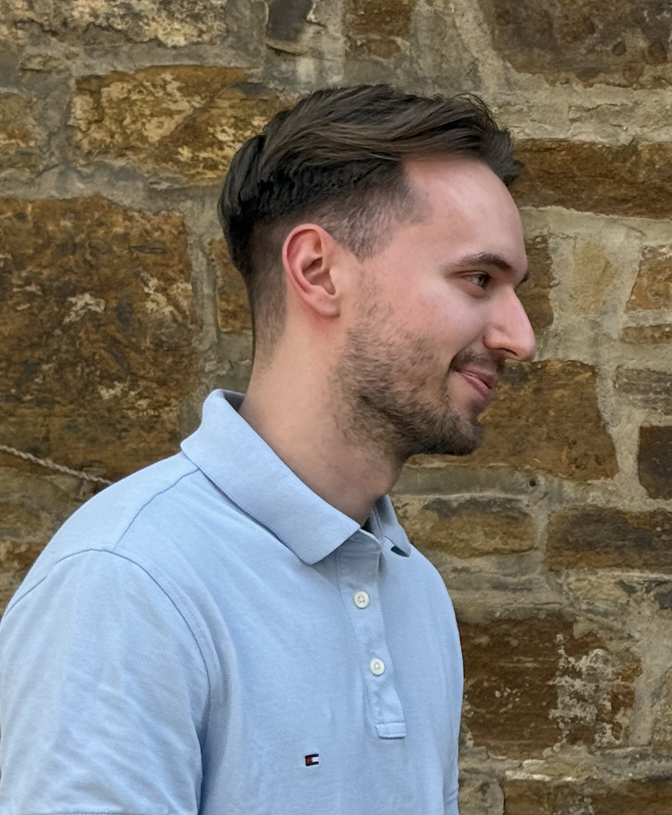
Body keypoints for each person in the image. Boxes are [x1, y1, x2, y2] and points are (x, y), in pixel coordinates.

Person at [0, 85, 535, 814]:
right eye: (478, 279)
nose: (519, 337)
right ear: (317, 270)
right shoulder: (128, 582)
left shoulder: (417, 593)